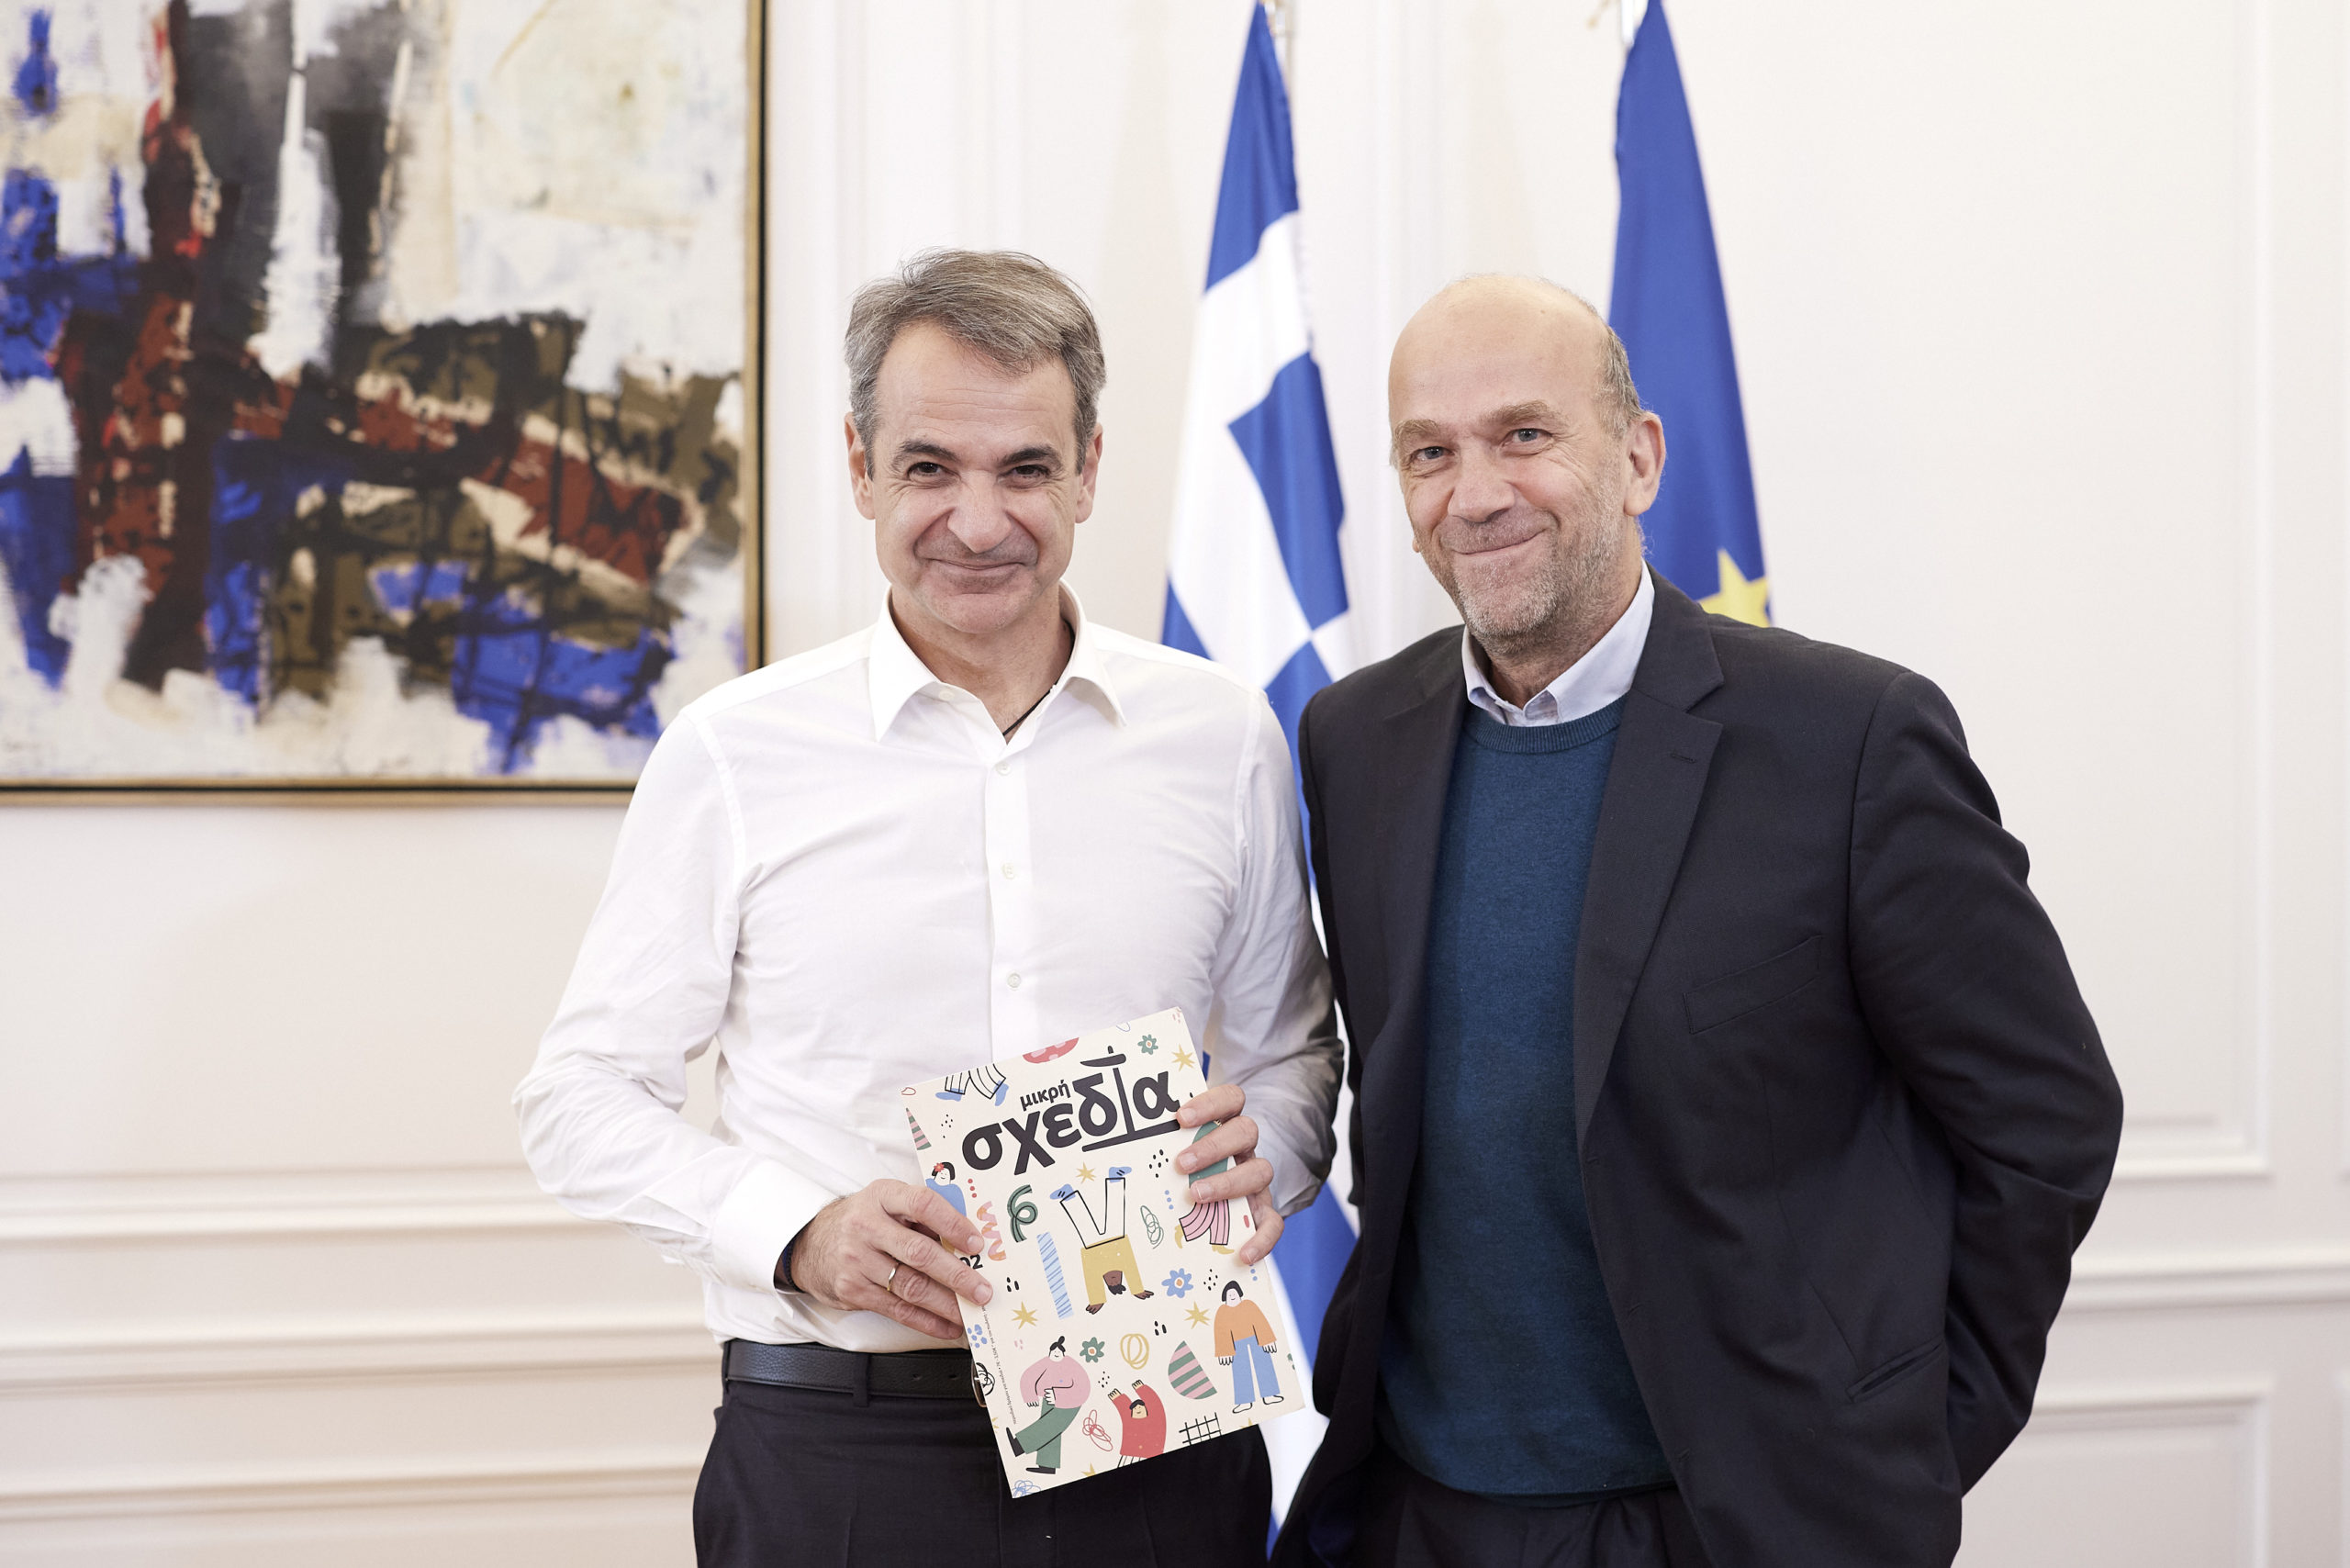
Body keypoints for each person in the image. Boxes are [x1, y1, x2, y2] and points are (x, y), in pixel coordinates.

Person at [1273, 275, 2125, 1568]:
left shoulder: (1852, 743)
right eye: (1428, 453)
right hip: (1417, 1511)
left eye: (1523, 434)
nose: (1475, 492)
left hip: (1741, 1526)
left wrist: (1900, 1446)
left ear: (1639, 457)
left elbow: (2045, 1120)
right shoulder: (1354, 741)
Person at [515, 249, 1341, 1568]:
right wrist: (798, 1234)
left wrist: (1270, 1155)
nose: (978, 519)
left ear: (1088, 471)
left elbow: (1293, 1054)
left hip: (1162, 1436)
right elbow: (578, 1097)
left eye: (1026, 468)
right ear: (861, 469)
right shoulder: (733, 752)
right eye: (929, 467)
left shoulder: (1221, 736)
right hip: (841, 1453)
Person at [1008, 1338, 1089, 1475]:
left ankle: (1019, 1445)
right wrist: (1030, 1395)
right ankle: (1047, 1465)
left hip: (1070, 1402)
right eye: (1053, 1351)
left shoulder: (1071, 1365)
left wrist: (1058, 1395)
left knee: (1049, 1426)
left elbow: (1083, 1387)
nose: (1056, 1353)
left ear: (1063, 1353)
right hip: (1048, 1398)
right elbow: (1029, 1375)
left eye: (1059, 1351)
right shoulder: (1046, 1362)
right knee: (1052, 1432)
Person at [1212, 1280, 1284, 1413]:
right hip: (1237, 1344)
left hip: (1255, 1339)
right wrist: (1225, 1351)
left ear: (1239, 1293)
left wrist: (1267, 1339)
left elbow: (1260, 1322)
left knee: (1264, 1364)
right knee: (1240, 1370)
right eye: (1229, 1294)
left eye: (1234, 1293)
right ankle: (1244, 1401)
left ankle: (1269, 1394)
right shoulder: (1222, 1311)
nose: (1232, 1296)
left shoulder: (1249, 1305)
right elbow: (1220, 1332)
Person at [1118, 1380, 1169, 1465]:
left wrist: (1143, 1389)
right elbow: (1125, 1414)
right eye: (1135, 1409)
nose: (1137, 1409)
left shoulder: (1154, 1420)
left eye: (1140, 1407)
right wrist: (1119, 1399)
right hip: (1129, 1456)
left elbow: (1157, 1407)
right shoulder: (1130, 1422)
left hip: (1152, 1454)